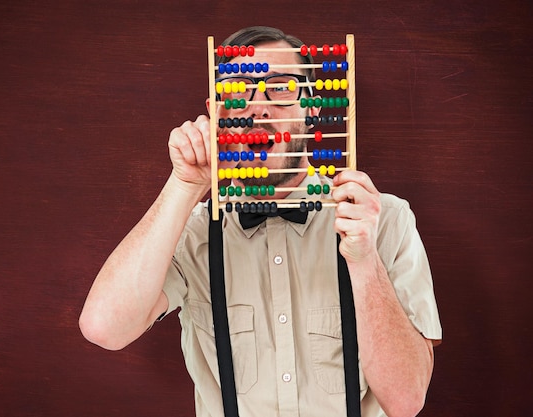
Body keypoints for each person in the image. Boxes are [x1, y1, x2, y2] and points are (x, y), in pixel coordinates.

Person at [79, 26, 442, 417]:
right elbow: (104, 328)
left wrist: (365, 261)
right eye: (238, 91)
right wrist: (185, 185)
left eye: (281, 87)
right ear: (219, 114)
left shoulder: (382, 221)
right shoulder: (192, 232)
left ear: (314, 107)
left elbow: (406, 401)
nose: (259, 108)